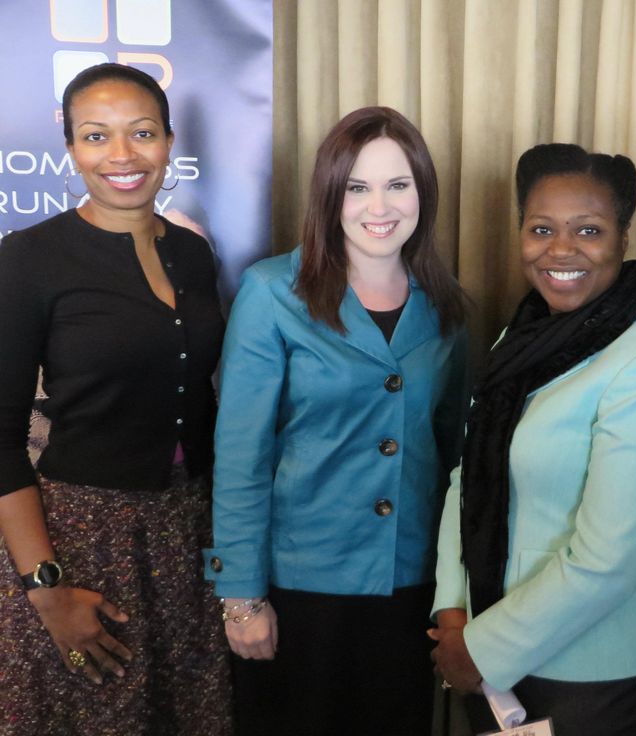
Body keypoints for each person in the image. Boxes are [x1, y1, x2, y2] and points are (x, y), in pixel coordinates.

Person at [205, 106, 468, 736]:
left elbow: (454, 454)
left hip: (409, 586)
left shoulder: (448, 305)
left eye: (398, 184)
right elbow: (241, 457)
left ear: (422, 193)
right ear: (331, 195)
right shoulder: (272, 293)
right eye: (358, 187)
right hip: (298, 589)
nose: (380, 205)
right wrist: (241, 599)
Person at [429, 143, 636, 735]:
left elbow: (608, 562)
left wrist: (479, 649)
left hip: (591, 674)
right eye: (541, 228)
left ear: (623, 240)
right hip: (484, 646)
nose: (561, 249)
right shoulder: (518, 340)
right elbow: (467, 475)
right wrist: (452, 611)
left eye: (589, 230)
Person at [0, 63, 231, 733]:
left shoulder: (192, 253)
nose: (122, 156)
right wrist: (48, 593)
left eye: (142, 133)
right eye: (97, 137)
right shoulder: (29, 259)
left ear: (169, 140)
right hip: (81, 541)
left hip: (189, 536)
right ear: (70, 147)